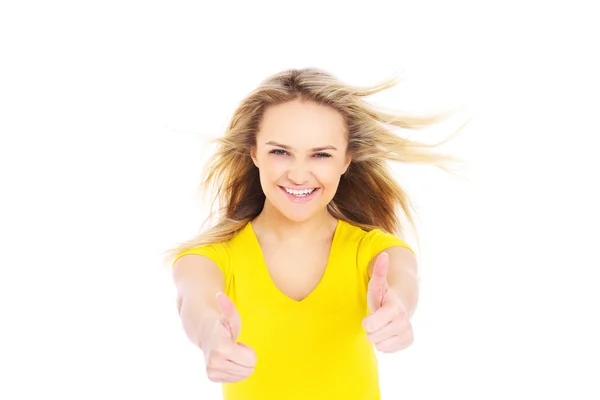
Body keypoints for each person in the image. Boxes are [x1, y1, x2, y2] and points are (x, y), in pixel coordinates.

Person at [163, 67, 468, 400]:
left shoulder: (375, 250)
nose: (298, 174)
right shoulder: (208, 259)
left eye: (321, 155)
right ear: (254, 153)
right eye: (280, 152)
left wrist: (397, 310)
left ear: (346, 160)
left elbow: (402, 279)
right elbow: (195, 301)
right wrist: (211, 337)